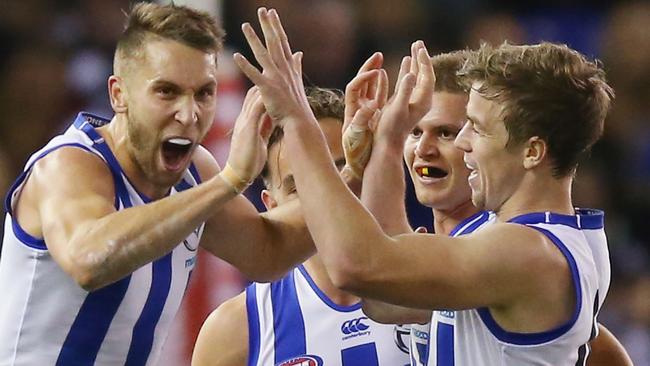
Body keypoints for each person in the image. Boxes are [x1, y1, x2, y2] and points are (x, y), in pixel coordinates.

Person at [234, 8, 616, 365]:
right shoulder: (539, 239)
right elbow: (386, 300)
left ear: (532, 151)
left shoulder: (526, 252)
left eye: (476, 129)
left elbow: (358, 267)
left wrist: (298, 121)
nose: (463, 142)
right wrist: (387, 142)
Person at [0, 3, 318, 365]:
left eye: (204, 93)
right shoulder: (67, 164)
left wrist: (351, 170)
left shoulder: (194, 173)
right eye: (167, 92)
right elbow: (89, 260)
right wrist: (230, 181)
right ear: (118, 95)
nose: (189, 114)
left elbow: (268, 253)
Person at [192, 87, 409, 366]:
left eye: (341, 172)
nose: (329, 198)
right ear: (271, 205)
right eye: (303, 185)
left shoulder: (433, 284)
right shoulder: (236, 329)